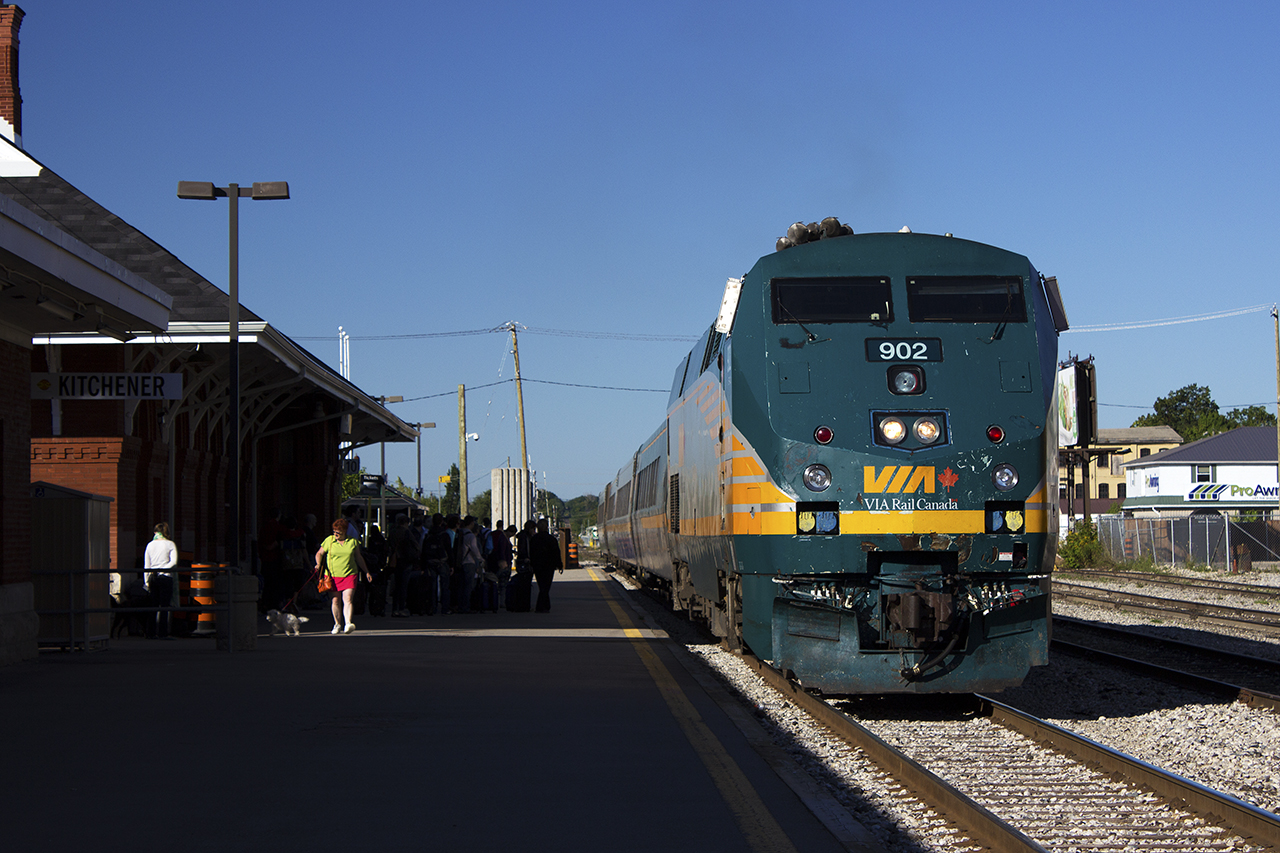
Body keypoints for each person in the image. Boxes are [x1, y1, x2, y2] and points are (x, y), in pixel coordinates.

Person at [316, 517, 372, 634]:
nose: (336, 534)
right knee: (335, 600)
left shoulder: (352, 541)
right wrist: (318, 564)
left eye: (338, 532)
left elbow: (358, 558)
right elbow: (320, 553)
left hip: (350, 574)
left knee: (348, 599)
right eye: (334, 531)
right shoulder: (329, 541)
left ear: (345, 531)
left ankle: (348, 623)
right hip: (333, 575)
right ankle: (337, 624)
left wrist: (366, 571)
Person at [143, 522, 178, 638]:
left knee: (153, 606)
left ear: (155, 533)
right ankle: (163, 633)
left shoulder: (150, 545)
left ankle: (150, 633)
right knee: (164, 606)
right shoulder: (170, 544)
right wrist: (163, 569)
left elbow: (146, 565)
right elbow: (174, 561)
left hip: (153, 577)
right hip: (166, 577)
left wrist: (146, 582)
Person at [529, 518, 563, 613]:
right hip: (549, 566)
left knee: (542, 585)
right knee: (546, 586)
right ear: (547, 527)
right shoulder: (551, 539)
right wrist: (559, 565)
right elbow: (556, 553)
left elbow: (531, 553)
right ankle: (541, 607)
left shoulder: (534, 539)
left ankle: (545, 606)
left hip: (537, 566)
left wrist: (532, 564)